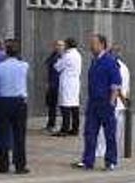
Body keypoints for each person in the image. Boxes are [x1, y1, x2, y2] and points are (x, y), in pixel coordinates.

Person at [77, 34, 122, 171]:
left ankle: (111, 161)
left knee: (109, 134)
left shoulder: (110, 62)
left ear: (102, 45)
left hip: (105, 102)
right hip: (93, 102)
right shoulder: (94, 61)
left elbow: (116, 83)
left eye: (94, 43)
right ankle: (88, 161)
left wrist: (111, 102)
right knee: (89, 132)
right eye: (91, 43)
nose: (91, 46)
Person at [0, 39, 29, 174]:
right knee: (19, 135)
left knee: (3, 134)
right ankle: (20, 165)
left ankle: (3, 165)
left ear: (5, 52)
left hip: (3, 101)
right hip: (19, 101)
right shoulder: (24, 66)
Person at [97, 44, 131, 161]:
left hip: (114, 102)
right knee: (114, 130)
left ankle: (104, 150)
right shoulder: (123, 67)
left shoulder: (116, 67)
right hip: (120, 103)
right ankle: (108, 150)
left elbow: (117, 86)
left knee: (108, 129)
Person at [54, 38, 82, 137]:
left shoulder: (67, 56)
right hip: (75, 83)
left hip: (67, 83)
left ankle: (64, 129)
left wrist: (60, 57)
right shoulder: (78, 55)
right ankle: (75, 128)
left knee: (65, 106)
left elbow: (57, 67)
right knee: (75, 106)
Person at [44, 40, 65, 133]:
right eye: (57, 45)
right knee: (51, 105)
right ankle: (51, 124)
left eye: (61, 45)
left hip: (61, 84)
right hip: (52, 84)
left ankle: (63, 125)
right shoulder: (53, 56)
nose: (59, 47)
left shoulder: (66, 57)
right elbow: (48, 65)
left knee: (62, 106)